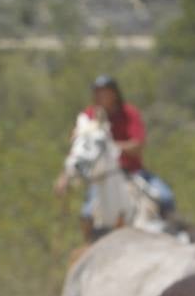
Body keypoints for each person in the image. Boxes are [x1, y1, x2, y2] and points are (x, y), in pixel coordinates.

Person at [54, 76, 175, 234]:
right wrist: (65, 176)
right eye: (98, 93)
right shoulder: (89, 115)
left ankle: (172, 236)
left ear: (114, 94)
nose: (101, 96)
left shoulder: (129, 113)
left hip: (132, 172)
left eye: (105, 92)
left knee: (166, 198)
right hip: (102, 176)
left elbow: (138, 144)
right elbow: (81, 149)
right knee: (87, 214)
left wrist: (110, 145)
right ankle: (91, 245)